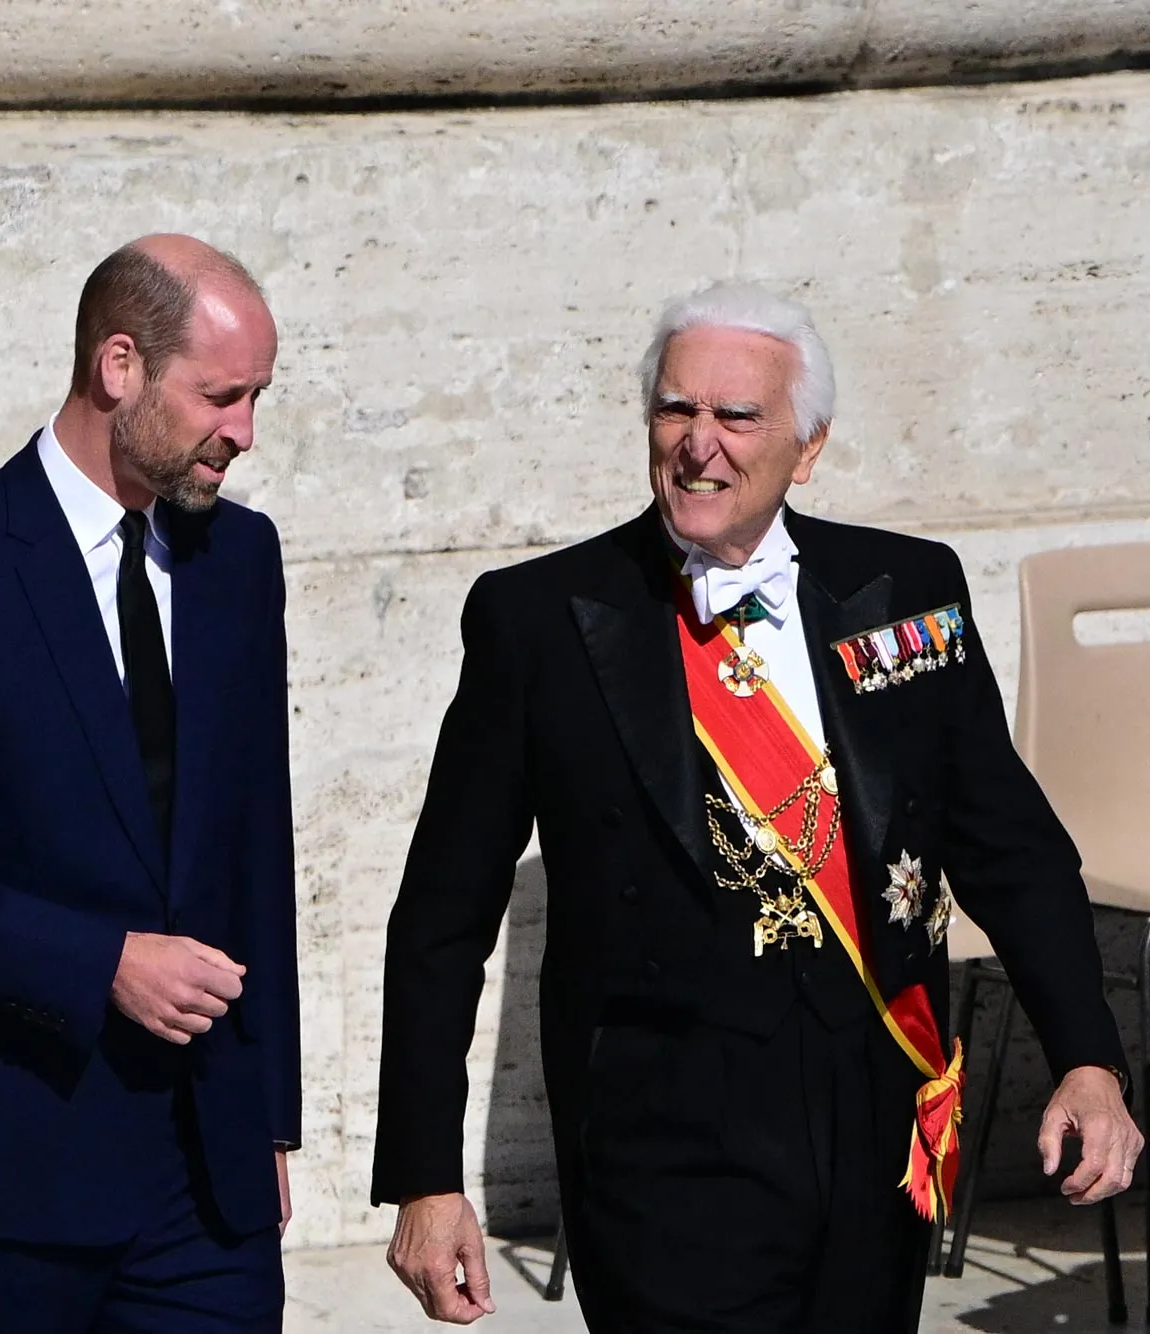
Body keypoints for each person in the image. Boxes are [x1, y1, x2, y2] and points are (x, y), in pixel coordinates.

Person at [374, 283, 1142, 1332]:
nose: (699, 445)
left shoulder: (906, 588)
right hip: (662, 1143)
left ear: (806, 444)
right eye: (674, 411)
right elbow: (440, 916)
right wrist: (424, 1177)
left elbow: (1007, 845)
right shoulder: (539, 620)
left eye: (735, 417)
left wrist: (1087, 1060)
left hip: (876, 1114)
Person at [0, 235, 299, 1332]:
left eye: (257, 396)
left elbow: (253, 850)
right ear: (116, 364)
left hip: (203, 1188)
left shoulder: (239, 561)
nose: (244, 432)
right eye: (220, 395)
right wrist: (98, 963)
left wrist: (265, 1120)